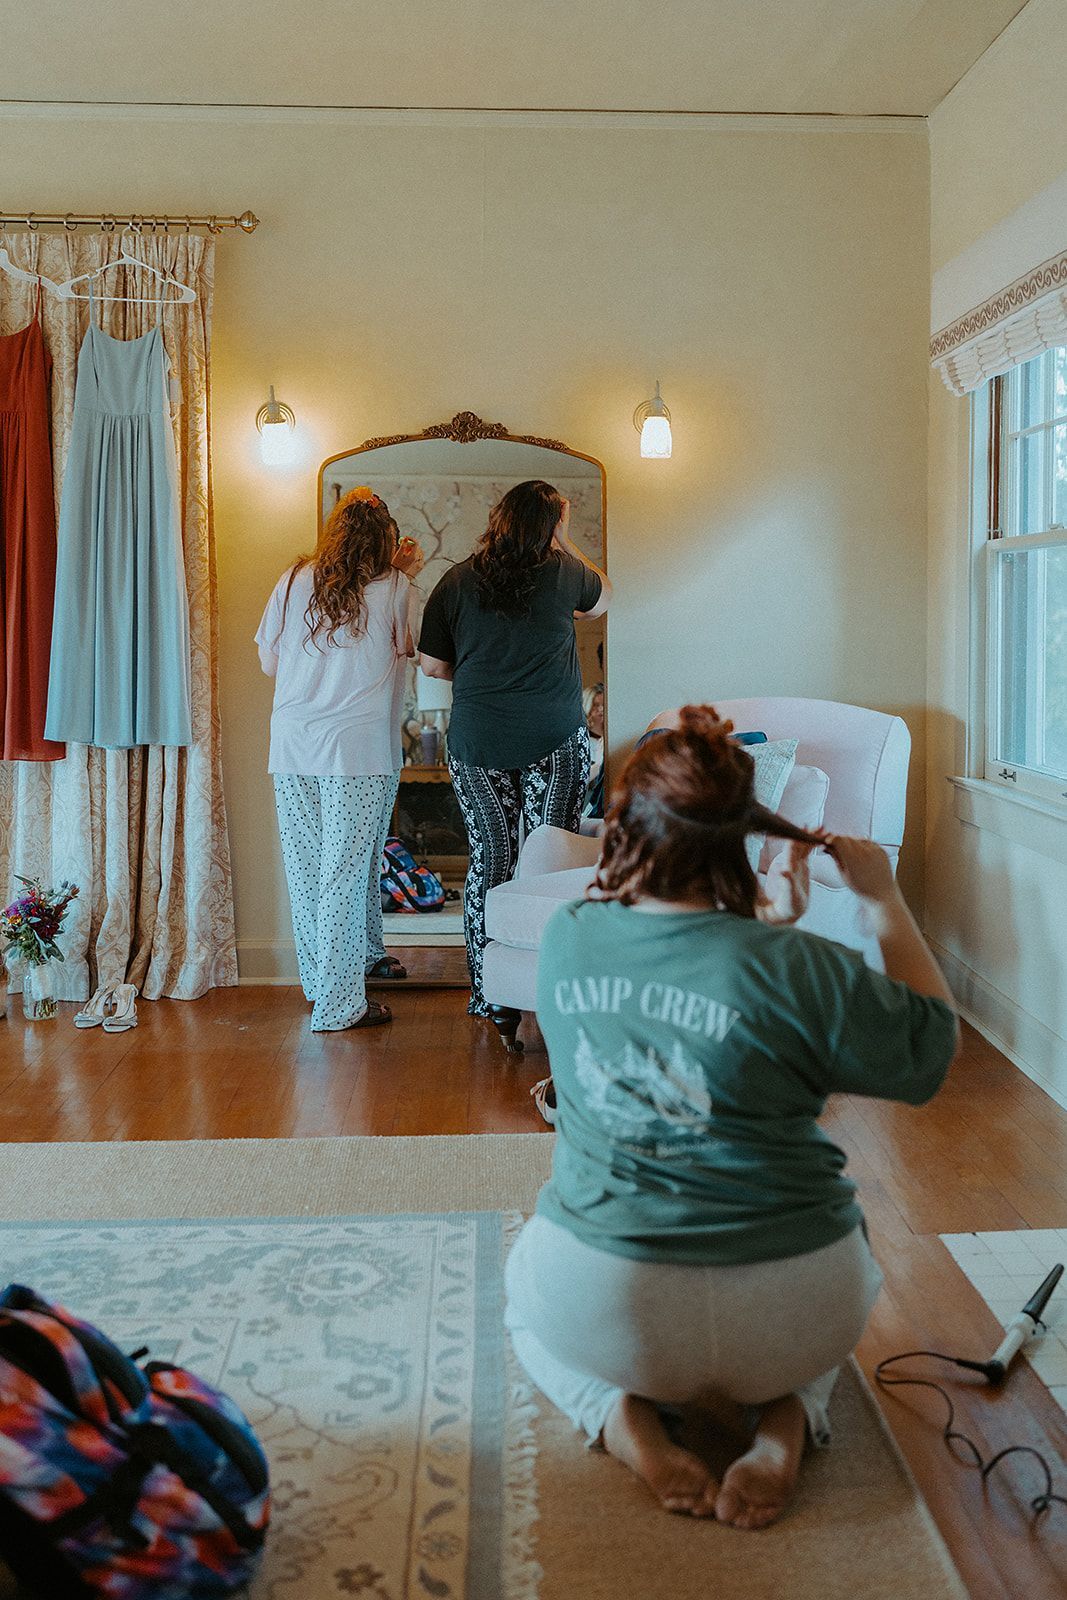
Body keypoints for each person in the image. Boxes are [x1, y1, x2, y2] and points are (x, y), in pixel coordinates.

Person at [505, 706, 958, 1527]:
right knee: (848, 1262)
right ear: (743, 835)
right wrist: (882, 899)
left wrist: (764, 930)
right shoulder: (801, 964)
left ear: (626, 826)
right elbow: (927, 1053)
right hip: (791, 1311)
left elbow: (685, 970)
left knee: (519, 1292)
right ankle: (785, 1419)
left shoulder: (568, 935)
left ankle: (616, 1415)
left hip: (615, 1312)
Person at [418, 479, 611, 1017]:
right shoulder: (565, 573)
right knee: (552, 862)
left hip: (478, 740)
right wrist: (566, 539)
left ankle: (490, 994)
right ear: (551, 524)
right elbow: (604, 601)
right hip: (555, 739)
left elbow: (431, 665)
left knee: (491, 860)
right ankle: (552, 989)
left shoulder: (456, 580)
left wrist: (481, 677)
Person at [256, 486, 424, 1032]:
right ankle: (339, 1005)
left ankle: (321, 987)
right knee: (344, 877)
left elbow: (269, 663)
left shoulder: (292, 580)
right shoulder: (395, 586)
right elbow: (409, 650)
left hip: (293, 746)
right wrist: (406, 574)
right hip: (357, 751)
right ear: (386, 540)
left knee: (308, 875)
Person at [582, 683, 605, 819]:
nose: (601, 709)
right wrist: (600, 765)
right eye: (596, 705)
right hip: (587, 806)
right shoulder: (583, 741)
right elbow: (579, 780)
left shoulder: (611, 738)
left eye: (603, 705)